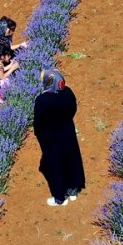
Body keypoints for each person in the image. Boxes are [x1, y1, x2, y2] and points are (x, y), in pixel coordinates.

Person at [33, 68, 85, 207]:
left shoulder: (43, 100)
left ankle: (60, 198)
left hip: (51, 137)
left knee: (55, 165)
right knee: (72, 160)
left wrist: (38, 132)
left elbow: (38, 120)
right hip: (68, 132)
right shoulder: (68, 92)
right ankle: (73, 190)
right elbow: (74, 109)